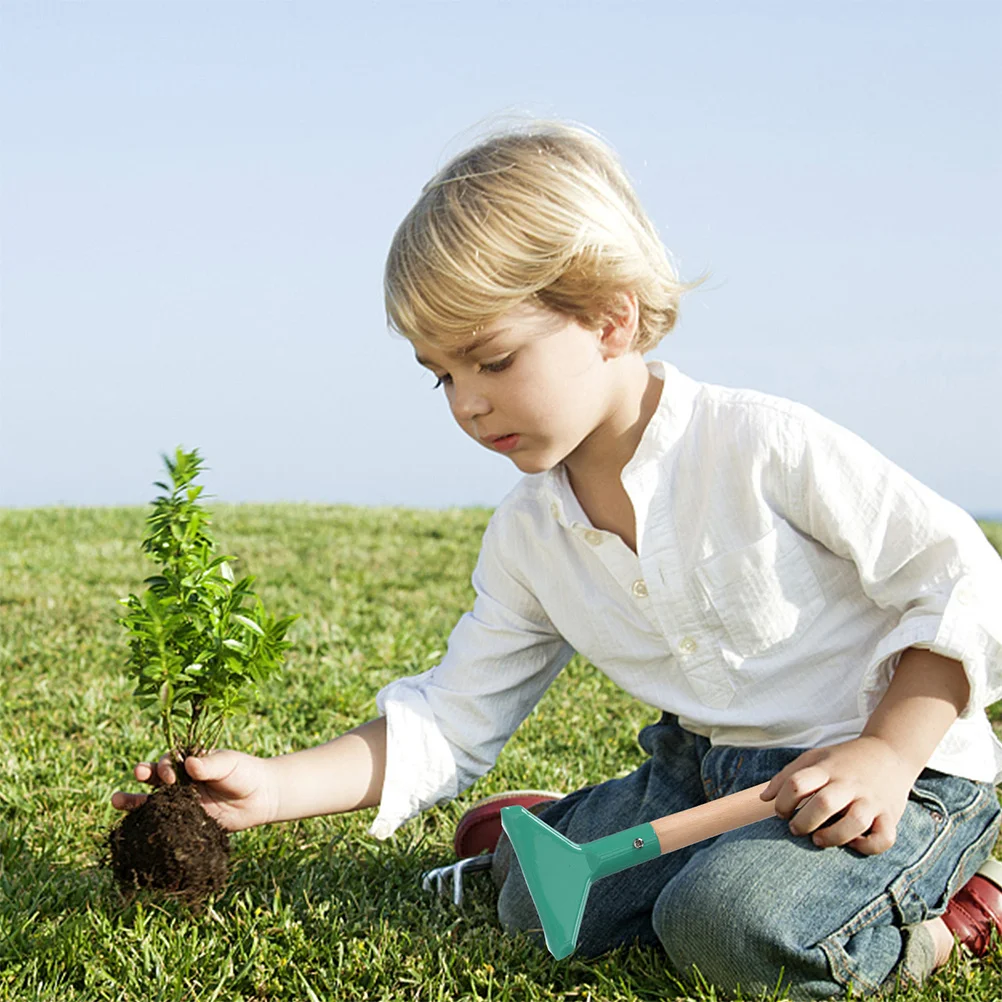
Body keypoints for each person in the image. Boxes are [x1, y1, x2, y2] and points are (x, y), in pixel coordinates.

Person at [113, 121, 1002, 999]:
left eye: (492, 359)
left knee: (723, 926)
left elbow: (961, 578)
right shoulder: (531, 534)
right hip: (705, 777)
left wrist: (887, 749)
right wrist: (271, 788)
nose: (466, 403)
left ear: (611, 320)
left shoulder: (762, 446)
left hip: (897, 779)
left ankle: (956, 917)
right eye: (441, 375)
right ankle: (554, 830)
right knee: (534, 907)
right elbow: (451, 718)